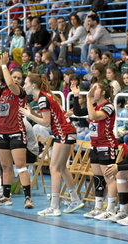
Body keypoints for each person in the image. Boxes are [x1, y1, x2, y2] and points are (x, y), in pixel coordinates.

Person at [20, 72, 84, 216]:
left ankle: (54, 206)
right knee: (61, 168)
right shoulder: (44, 96)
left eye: (26, 83)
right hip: (65, 132)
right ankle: (75, 199)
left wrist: (29, 115)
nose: (24, 86)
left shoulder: (42, 99)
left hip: (63, 133)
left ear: (33, 85)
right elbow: (48, 119)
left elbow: (46, 123)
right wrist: (33, 113)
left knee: (54, 167)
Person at [0, 53, 34, 209]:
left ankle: (28, 198)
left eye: (19, 77)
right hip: (3, 133)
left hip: (16, 132)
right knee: (5, 167)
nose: (17, 79)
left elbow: (12, 85)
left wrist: (5, 66)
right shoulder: (1, 92)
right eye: (15, 77)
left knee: (20, 166)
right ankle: (6, 196)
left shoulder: (19, 92)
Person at [71, 81, 118, 219]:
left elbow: (93, 116)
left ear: (103, 92)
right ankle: (98, 207)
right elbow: (78, 112)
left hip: (107, 145)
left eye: (95, 88)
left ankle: (111, 208)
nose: (91, 91)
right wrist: (76, 95)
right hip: (95, 145)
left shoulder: (108, 106)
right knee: (97, 177)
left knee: (108, 177)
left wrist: (89, 99)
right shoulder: (94, 105)